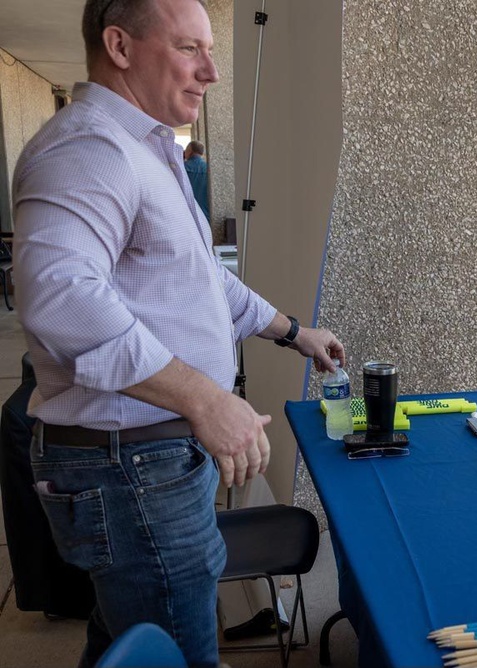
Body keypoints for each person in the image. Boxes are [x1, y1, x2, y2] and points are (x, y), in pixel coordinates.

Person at [12, 1, 346, 666]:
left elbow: (200, 282)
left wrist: (292, 332)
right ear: (120, 45)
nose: (212, 72)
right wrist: (205, 399)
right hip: (128, 465)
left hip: (145, 462)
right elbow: (59, 296)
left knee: (129, 640)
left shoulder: (145, 150)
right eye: (191, 48)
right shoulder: (89, 147)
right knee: (180, 652)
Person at [183, 139, 209, 217]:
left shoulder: (182, 167)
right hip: (206, 213)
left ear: (190, 150)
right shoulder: (208, 168)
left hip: (188, 212)